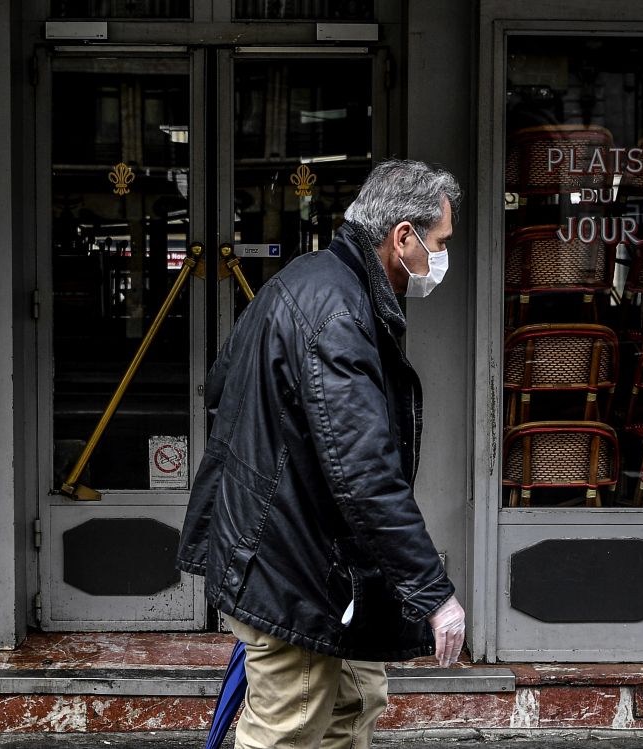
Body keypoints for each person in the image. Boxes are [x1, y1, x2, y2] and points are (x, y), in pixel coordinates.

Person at [177, 159, 466, 749]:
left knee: (353, 703)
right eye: (440, 243)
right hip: (295, 568)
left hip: (307, 560)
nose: (441, 258)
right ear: (403, 237)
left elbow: (219, 386)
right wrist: (434, 595)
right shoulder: (338, 312)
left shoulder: (304, 279)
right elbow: (365, 474)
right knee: (290, 725)